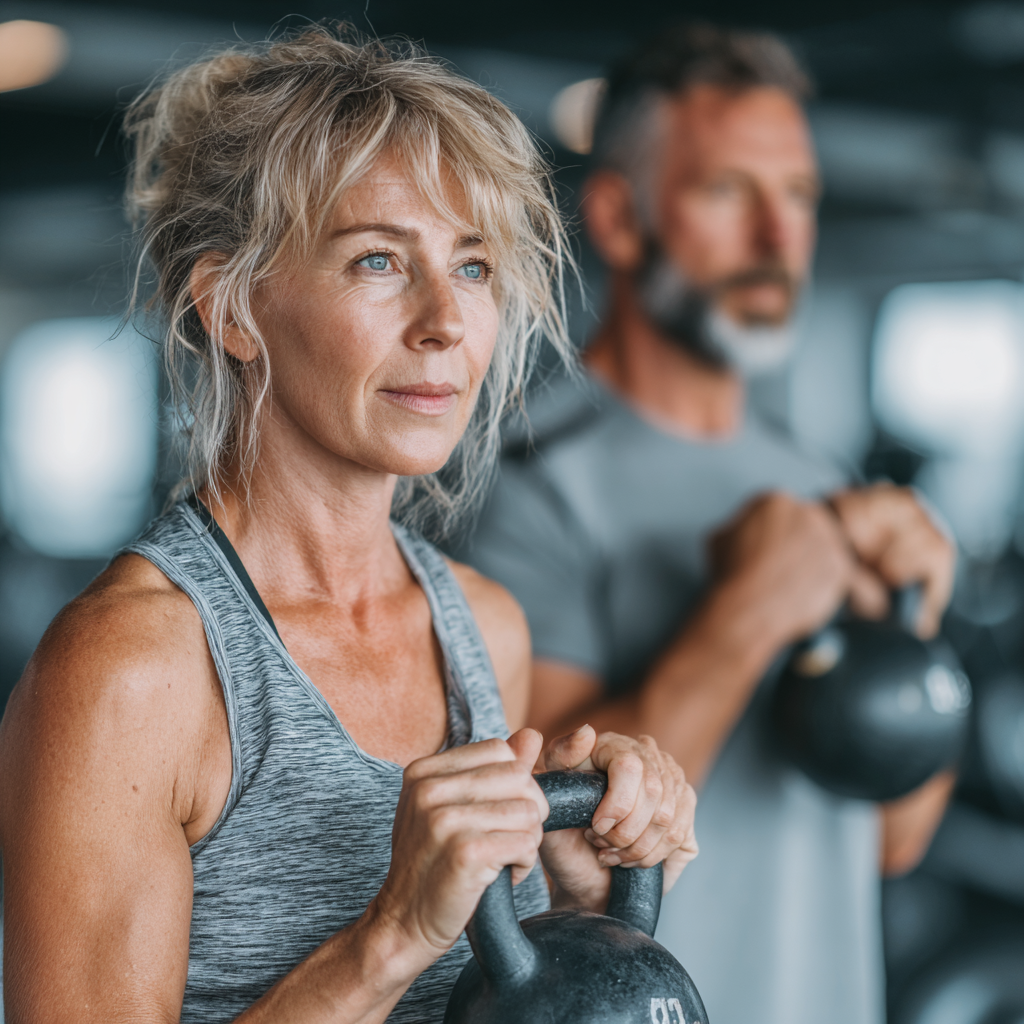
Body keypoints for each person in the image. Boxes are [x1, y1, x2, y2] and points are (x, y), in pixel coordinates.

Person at [0, 30, 698, 1024]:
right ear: (232, 310)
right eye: (378, 259)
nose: (444, 322)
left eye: (471, 266)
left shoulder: (478, 624)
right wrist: (393, 934)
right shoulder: (132, 667)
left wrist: (583, 908)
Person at [453, 24, 957, 1024]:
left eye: (798, 195)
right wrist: (744, 610)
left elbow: (895, 837)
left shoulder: (819, 477)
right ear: (620, 218)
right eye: (729, 192)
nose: (778, 237)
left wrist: (912, 629)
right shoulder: (526, 482)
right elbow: (544, 856)